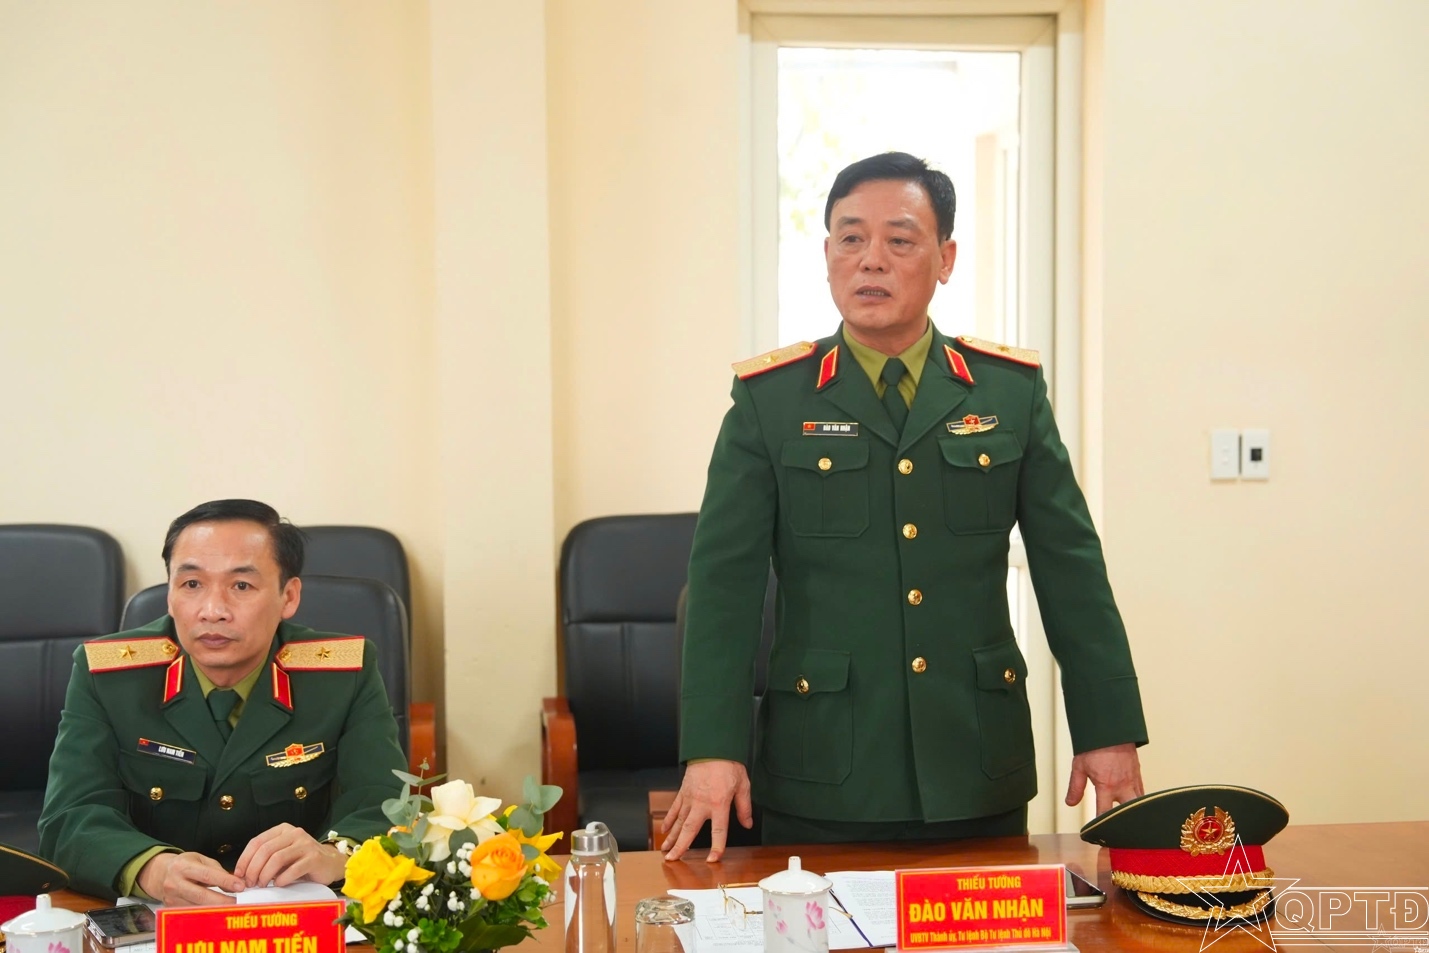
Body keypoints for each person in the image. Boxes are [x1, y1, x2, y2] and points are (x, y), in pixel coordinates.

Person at [662, 153, 1148, 860]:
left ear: (944, 259)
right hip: (822, 769)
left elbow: (1070, 567)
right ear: (827, 255)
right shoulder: (772, 400)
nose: (871, 261)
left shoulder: (1007, 393)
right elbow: (723, 585)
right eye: (850, 238)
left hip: (974, 761)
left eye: (899, 239)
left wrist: (1107, 729)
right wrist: (713, 747)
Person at [38, 500, 407, 903]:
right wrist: (149, 868)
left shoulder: (344, 674)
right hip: (158, 915)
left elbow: (384, 806)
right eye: (191, 584)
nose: (212, 611)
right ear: (169, 595)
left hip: (297, 913)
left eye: (241, 586)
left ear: (288, 596)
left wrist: (335, 855)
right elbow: (69, 819)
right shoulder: (108, 676)